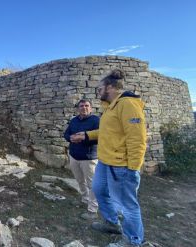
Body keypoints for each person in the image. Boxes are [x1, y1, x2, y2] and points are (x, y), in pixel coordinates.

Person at [71, 69, 147, 247]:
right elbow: (106, 132)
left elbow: (137, 139)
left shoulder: (128, 104)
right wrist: (86, 135)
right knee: (99, 190)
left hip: (121, 165)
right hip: (105, 162)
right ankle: (112, 223)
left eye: (99, 89)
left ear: (111, 87)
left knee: (127, 205)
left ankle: (133, 240)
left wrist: (133, 168)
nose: (98, 93)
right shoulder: (110, 107)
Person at [64, 99, 100, 220]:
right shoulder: (74, 120)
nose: (84, 108)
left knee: (92, 184)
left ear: (91, 108)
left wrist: (83, 138)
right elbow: (66, 133)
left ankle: (93, 209)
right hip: (74, 156)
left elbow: (101, 137)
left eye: (86, 105)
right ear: (78, 108)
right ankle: (85, 199)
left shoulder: (96, 121)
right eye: (81, 106)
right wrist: (71, 138)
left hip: (89, 158)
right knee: (80, 181)